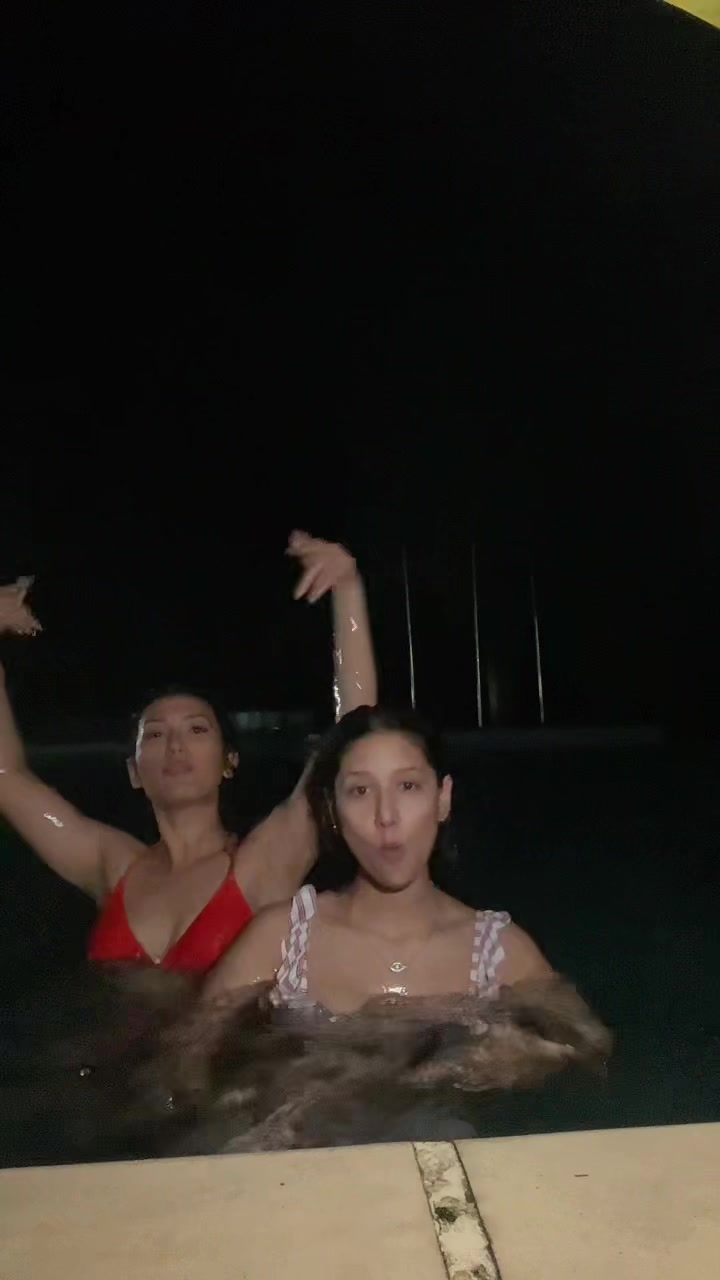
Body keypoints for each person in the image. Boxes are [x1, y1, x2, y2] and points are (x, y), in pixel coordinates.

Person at [0, 532, 377, 973]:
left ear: (229, 761)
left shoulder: (263, 862)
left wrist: (347, 589)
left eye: (197, 729)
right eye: (155, 735)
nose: (175, 745)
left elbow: (352, 745)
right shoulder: (112, 865)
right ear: (134, 771)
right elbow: (7, 777)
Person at [205, 705, 554, 1011]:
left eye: (408, 786)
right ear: (333, 810)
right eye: (360, 791)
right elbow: (193, 1052)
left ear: (443, 798)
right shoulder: (279, 941)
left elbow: (575, 1049)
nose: (386, 815)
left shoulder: (504, 957)